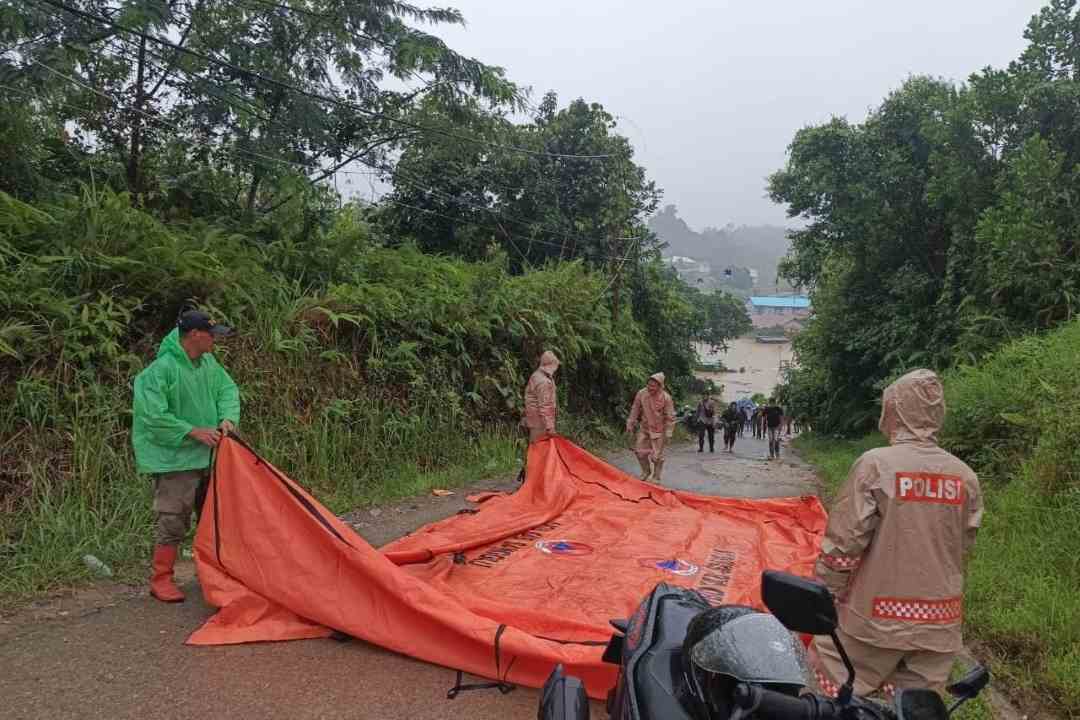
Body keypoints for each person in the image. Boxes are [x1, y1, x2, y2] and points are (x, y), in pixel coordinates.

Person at [809, 369, 983, 699]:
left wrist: (826, 593)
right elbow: (961, 546)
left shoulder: (876, 465)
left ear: (895, 409)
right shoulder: (965, 477)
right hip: (940, 623)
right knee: (913, 705)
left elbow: (846, 543)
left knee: (836, 682)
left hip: (873, 620)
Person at [132, 311, 239, 603]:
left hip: (206, 456)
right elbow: (152, 415)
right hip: (175, 459)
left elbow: (227, 390)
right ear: (195, 335)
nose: (216, 338)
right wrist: (193, 431)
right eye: (212, 334)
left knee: (211, 516)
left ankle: (212, 575)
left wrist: (227, 418)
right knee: (173, 519)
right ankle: (161, 579)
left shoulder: (208, 364)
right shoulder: (160, 370)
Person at [626, 372, 676, 483]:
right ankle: (646, 471)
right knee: (639, 451)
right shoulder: (641, 393)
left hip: (659, 431)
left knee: (656, 457)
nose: (650, 387)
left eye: (653, 386)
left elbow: (670, 417)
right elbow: (635, 408)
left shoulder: (666, 398)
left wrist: (669, 432)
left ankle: (656, 477)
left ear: (660, 386)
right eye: (649, 385)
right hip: (644, 428)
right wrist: (630, 422)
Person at [523, 350, 560, 443]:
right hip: (540, 421)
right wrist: (550, 427)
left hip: (534, 418)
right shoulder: (544, 382)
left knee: (536, 445)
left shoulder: (537, 375)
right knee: (539, 447)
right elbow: (545, 405)